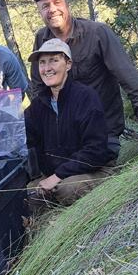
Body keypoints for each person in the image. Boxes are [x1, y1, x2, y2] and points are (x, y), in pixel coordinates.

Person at [30, 0, 138, 154]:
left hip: (102, 131)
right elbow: (38, 87)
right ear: (40, 11)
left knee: (76, 179)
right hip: (67, 135)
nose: (52, 9)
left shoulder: (97, 33)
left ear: (67, 4)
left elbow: (128, 77)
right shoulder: (41, 38)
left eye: (57, 2)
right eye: (45, 6)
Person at [25, 38, 116, 208]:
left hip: (93, 170)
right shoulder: (38, 105)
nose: (47, 68)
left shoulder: (86, 97)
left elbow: (95, 151)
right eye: (42, 63)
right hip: (59, 175)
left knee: (68, 189)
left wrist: (58, 176)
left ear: (68, 64)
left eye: (54, 60)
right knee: (29, 194)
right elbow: (24, 138)